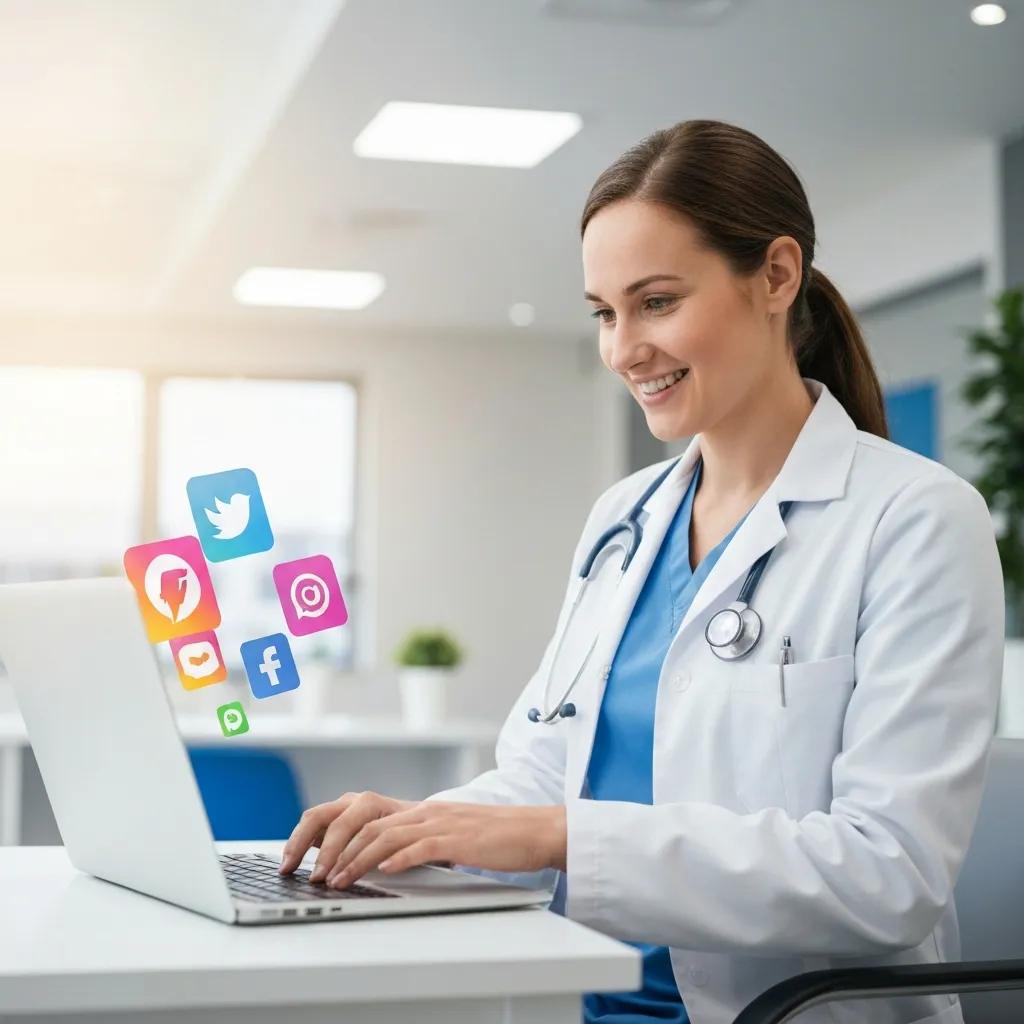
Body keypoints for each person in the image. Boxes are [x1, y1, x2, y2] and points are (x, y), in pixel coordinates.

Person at [277, 120, 1005, 1024]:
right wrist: (413, 829)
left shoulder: (915, 519)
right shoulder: (623, 519)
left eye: (656, 302)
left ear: (776, 276)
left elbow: (889, 875)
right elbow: (543, 771)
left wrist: (559, 836)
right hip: (584, 998)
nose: (623, 349)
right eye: (603, 313)